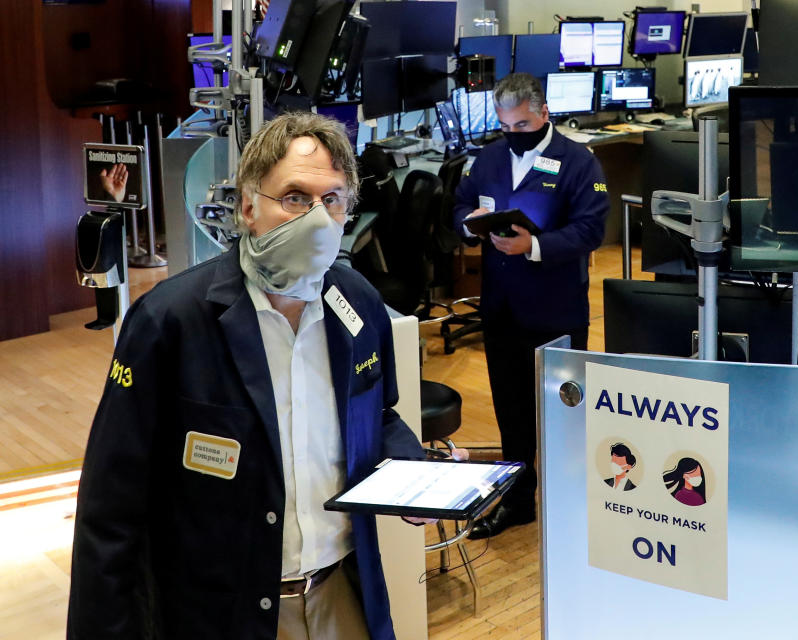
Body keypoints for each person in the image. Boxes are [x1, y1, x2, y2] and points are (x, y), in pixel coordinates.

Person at [68, 113, 428, 640]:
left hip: (343, 593)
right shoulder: (171, 322)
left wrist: (414, 471)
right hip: (224, 613)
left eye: (332, 201)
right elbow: (110, 509)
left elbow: (378, 414)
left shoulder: (358, 304)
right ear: (247, 206)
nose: (316, 220)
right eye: (295, 198)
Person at [453, 72, 609, 538]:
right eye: (505, 127)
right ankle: (518, 500)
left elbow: (591, 230)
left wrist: (534, 246)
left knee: (562, 412)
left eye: (522, 126)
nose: (513, 135)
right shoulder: (488, 157)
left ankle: (570, 504)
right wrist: (470, 224)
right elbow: (459, 206)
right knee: (511, 410)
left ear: (544, 114)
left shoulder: (580, 162)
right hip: (501, 307)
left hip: (555, 309)